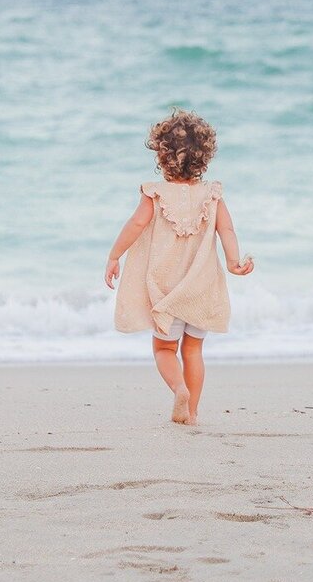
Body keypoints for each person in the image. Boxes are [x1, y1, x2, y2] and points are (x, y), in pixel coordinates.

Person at [105, 110, 253, 425]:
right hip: (201, 287)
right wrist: (234, 262)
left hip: (165, 289)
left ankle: (178, 389)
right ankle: (193, 413)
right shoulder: (212, 195)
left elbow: (136, 225)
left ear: (161, 155)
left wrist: (114, 255)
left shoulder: (154, 194)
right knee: (193, 351)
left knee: (164, 349)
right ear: (205, 157)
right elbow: (227, 230)